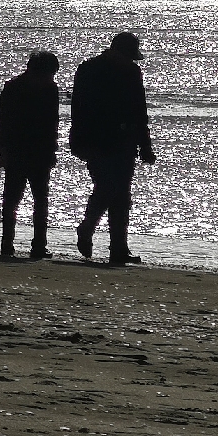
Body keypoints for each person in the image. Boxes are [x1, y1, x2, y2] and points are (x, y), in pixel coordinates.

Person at [69, 32, 157, 265]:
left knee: (121, 195)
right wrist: (78, 142)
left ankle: (118, 247)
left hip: (125, 140)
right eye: (127, 56)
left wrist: (145, 144)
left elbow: (140, 110)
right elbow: (78, 109)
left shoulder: (132, 72)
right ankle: (88, 227)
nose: (129, 61)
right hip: (96, 140)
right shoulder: (89, 70)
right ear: (115, 51)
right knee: (108, 187)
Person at [0, 49, 61, 260]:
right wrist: (4, 150)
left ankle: (35, 245)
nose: (50, 78)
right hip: (21, 150)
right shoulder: (17, 88)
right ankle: (11, 243)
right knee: (20, 199)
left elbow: (53, 123)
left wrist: (52, 149)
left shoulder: (45, 89)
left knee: (36, 200)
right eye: (49, 73)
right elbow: (4, 123)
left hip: (36, 150)